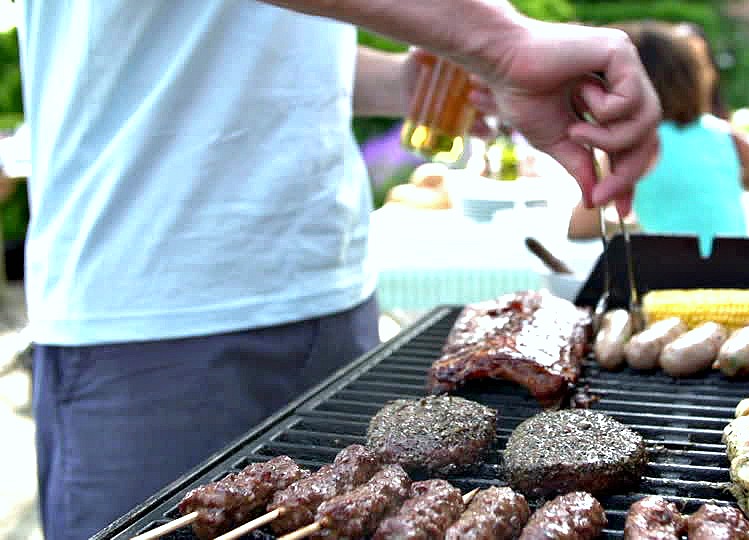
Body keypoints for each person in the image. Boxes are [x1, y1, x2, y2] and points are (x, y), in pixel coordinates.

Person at [19, 1, 660, 538]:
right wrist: (503, 40)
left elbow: (224, 54)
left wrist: (407, 85)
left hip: (331, 295)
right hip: (152, 311)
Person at [568, 21, 749, 256]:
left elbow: (580, 227)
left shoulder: (630, 145)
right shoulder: (726, 136)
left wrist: (632, 229)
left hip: (671, 280)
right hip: (738, 274)